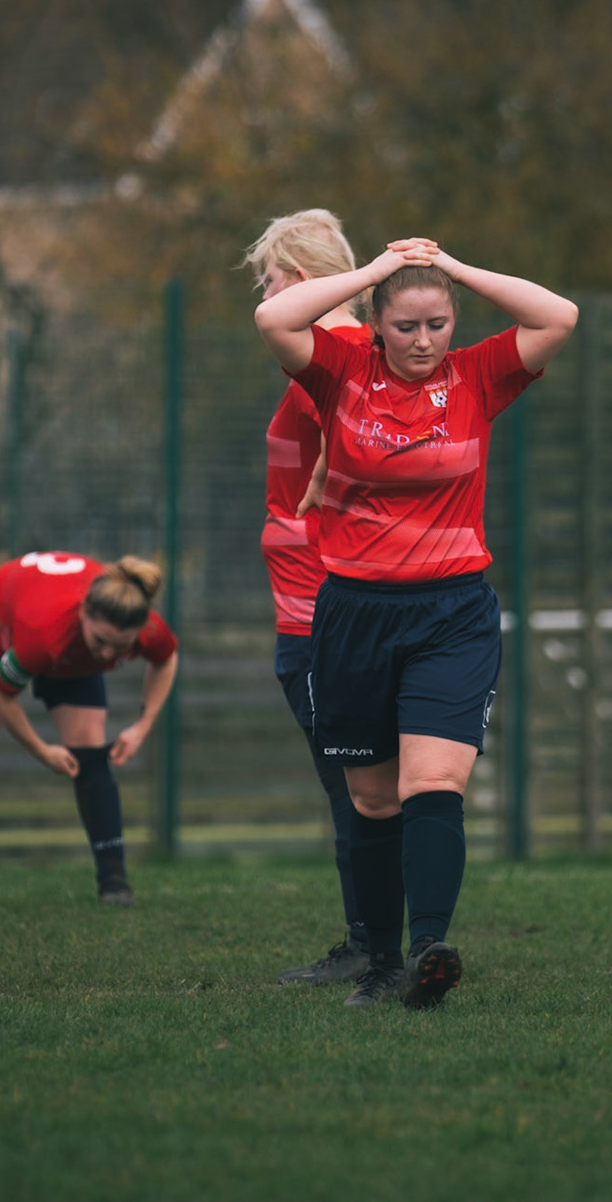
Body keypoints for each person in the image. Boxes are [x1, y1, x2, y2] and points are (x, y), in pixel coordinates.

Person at [255, 237, 577, 1008]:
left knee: (434, 780)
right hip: (354, 613)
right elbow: (275, 317)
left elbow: (558, 314)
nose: (424, 341)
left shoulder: (478, 373)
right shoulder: (340, 373)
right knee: (372, 801)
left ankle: (431, 945)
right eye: (406, 326)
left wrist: (455, 269)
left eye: (438, 323)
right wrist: (375, 272)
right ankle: (382, 963)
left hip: (452, 612)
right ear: (375, 324)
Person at [244, 210, 378, 985]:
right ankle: (377, 938)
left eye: (270, 275)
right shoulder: (346, 349)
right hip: (310, 599)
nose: (262, 294)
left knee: (355, 789)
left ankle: (373, 943)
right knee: (358, 786)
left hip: (320, 605)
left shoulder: (338, 349)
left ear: (297, 278)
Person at [0, 552, 179, 908]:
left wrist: (143, 726)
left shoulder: (145, 626)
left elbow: (166, 658)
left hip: (64, 642)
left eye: (121, 647)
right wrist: (41, 750)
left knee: (90, 750)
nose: (108, 654)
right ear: (84, 613)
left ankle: (114, 883)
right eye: (101, 641)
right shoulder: (44, 633)